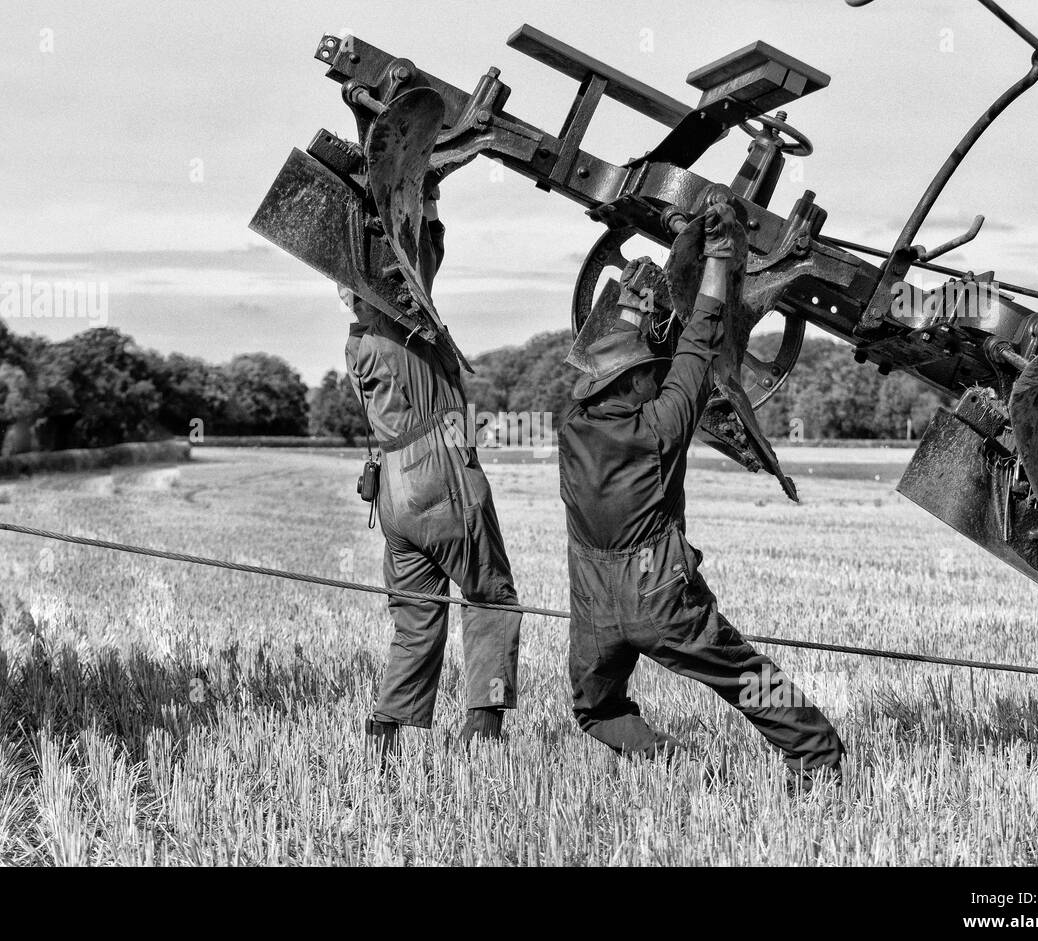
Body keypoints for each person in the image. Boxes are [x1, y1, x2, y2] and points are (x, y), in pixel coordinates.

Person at [556, 201, 845, 791]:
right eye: (648, 371)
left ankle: (672, 764)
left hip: (592, 608)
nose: (656, 375)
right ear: (636, 381)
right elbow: (699, 344)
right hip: (659, 599)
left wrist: (634, 309)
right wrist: (719, 257)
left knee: (596, 708)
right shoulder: (660, 427)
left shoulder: (570, 428)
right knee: (745, 677)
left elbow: (609, 368)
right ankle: (817, 757)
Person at [342, 176, 521, 759]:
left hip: (394, 494)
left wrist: (414, 195)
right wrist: (426, 195)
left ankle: (385, 731)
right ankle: (483, 730)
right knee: (491, 595)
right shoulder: (399, 328)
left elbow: (419, 259)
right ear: (378, 291)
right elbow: (422, 257)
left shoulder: (361, 343)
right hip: (440, 474)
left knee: (417, 615)